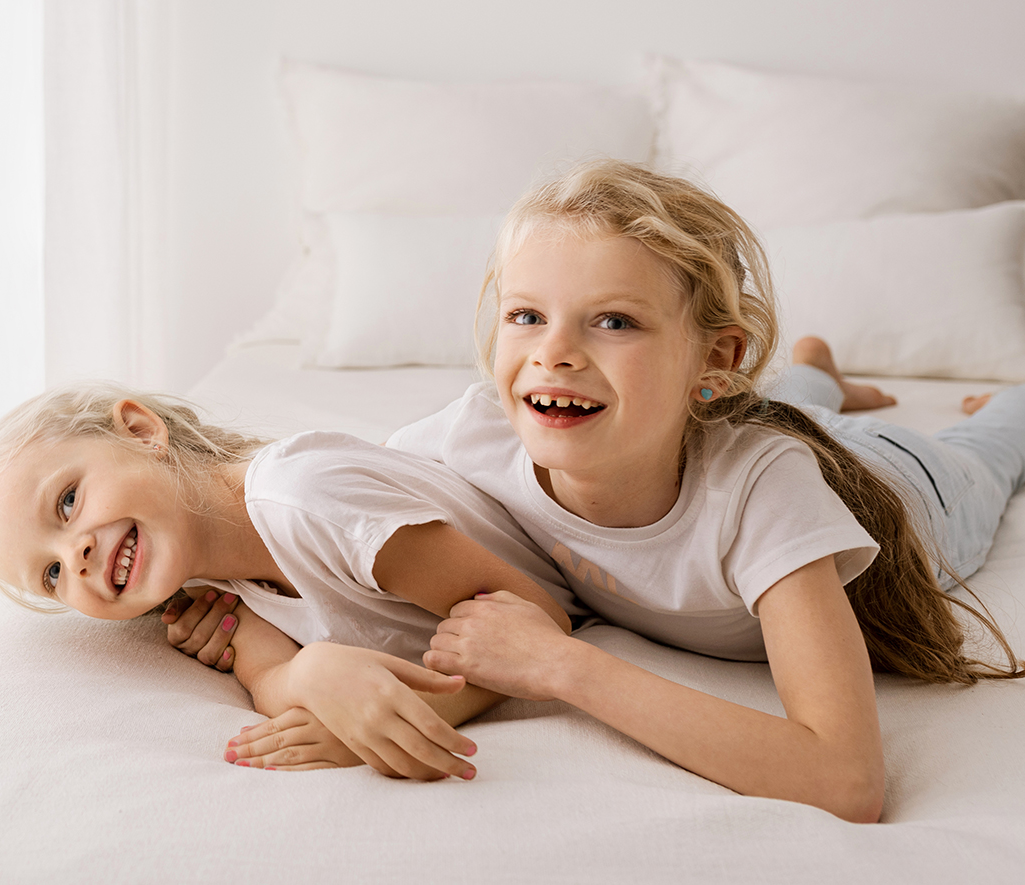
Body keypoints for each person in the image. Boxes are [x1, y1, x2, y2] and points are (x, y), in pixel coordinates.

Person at [369, 158, 1024, 822]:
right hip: (732, 419)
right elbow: (304, 531)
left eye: (614, 321)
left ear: (715, 357)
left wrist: (563, 666)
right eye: (527, 314)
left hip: (907, 478)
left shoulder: (761, 494)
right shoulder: (474, 434)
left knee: (995, 446)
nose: (553, 352)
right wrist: (300, 672)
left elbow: (847, 781)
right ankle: (818, 372)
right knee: (767, 409)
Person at [0, 384, 585, 781]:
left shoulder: (310, 502)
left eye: (67, 502)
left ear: (142, 431)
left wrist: (368, 729)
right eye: (52, 574)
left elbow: (539, 620)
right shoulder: (214, 587)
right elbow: (269, 678)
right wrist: (311, 675)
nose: (79, 554)